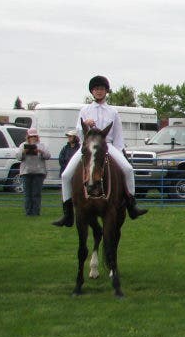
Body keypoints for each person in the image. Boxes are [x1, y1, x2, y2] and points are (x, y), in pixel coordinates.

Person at [52, 75, 147, 227]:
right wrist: (85, 125)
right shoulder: (85, 110)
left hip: (107, 145)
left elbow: (117, 134)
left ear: (106, 91)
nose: (99, 91)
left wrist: (119, 152)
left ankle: (132, 205)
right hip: (89, 146)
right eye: (96, 89)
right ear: (92, 91)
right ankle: (67, 213)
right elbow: (78, 132)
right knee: (65, 175)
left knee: (128, 169)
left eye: (101, 89)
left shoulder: (113, 112)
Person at [16, 128, 51, 216]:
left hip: (39, 172)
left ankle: (36, 212)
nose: (33, 138)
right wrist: (24, 152)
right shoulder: (22, 145)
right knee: (27, 194)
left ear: (37, 137)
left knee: (36, 193)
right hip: (26, 172)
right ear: (27, 137)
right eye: (31, 136)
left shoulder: (42, 145)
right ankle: (28, 212)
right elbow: (18, 157)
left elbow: (48, 156)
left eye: (34, 136)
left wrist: (40, 152)